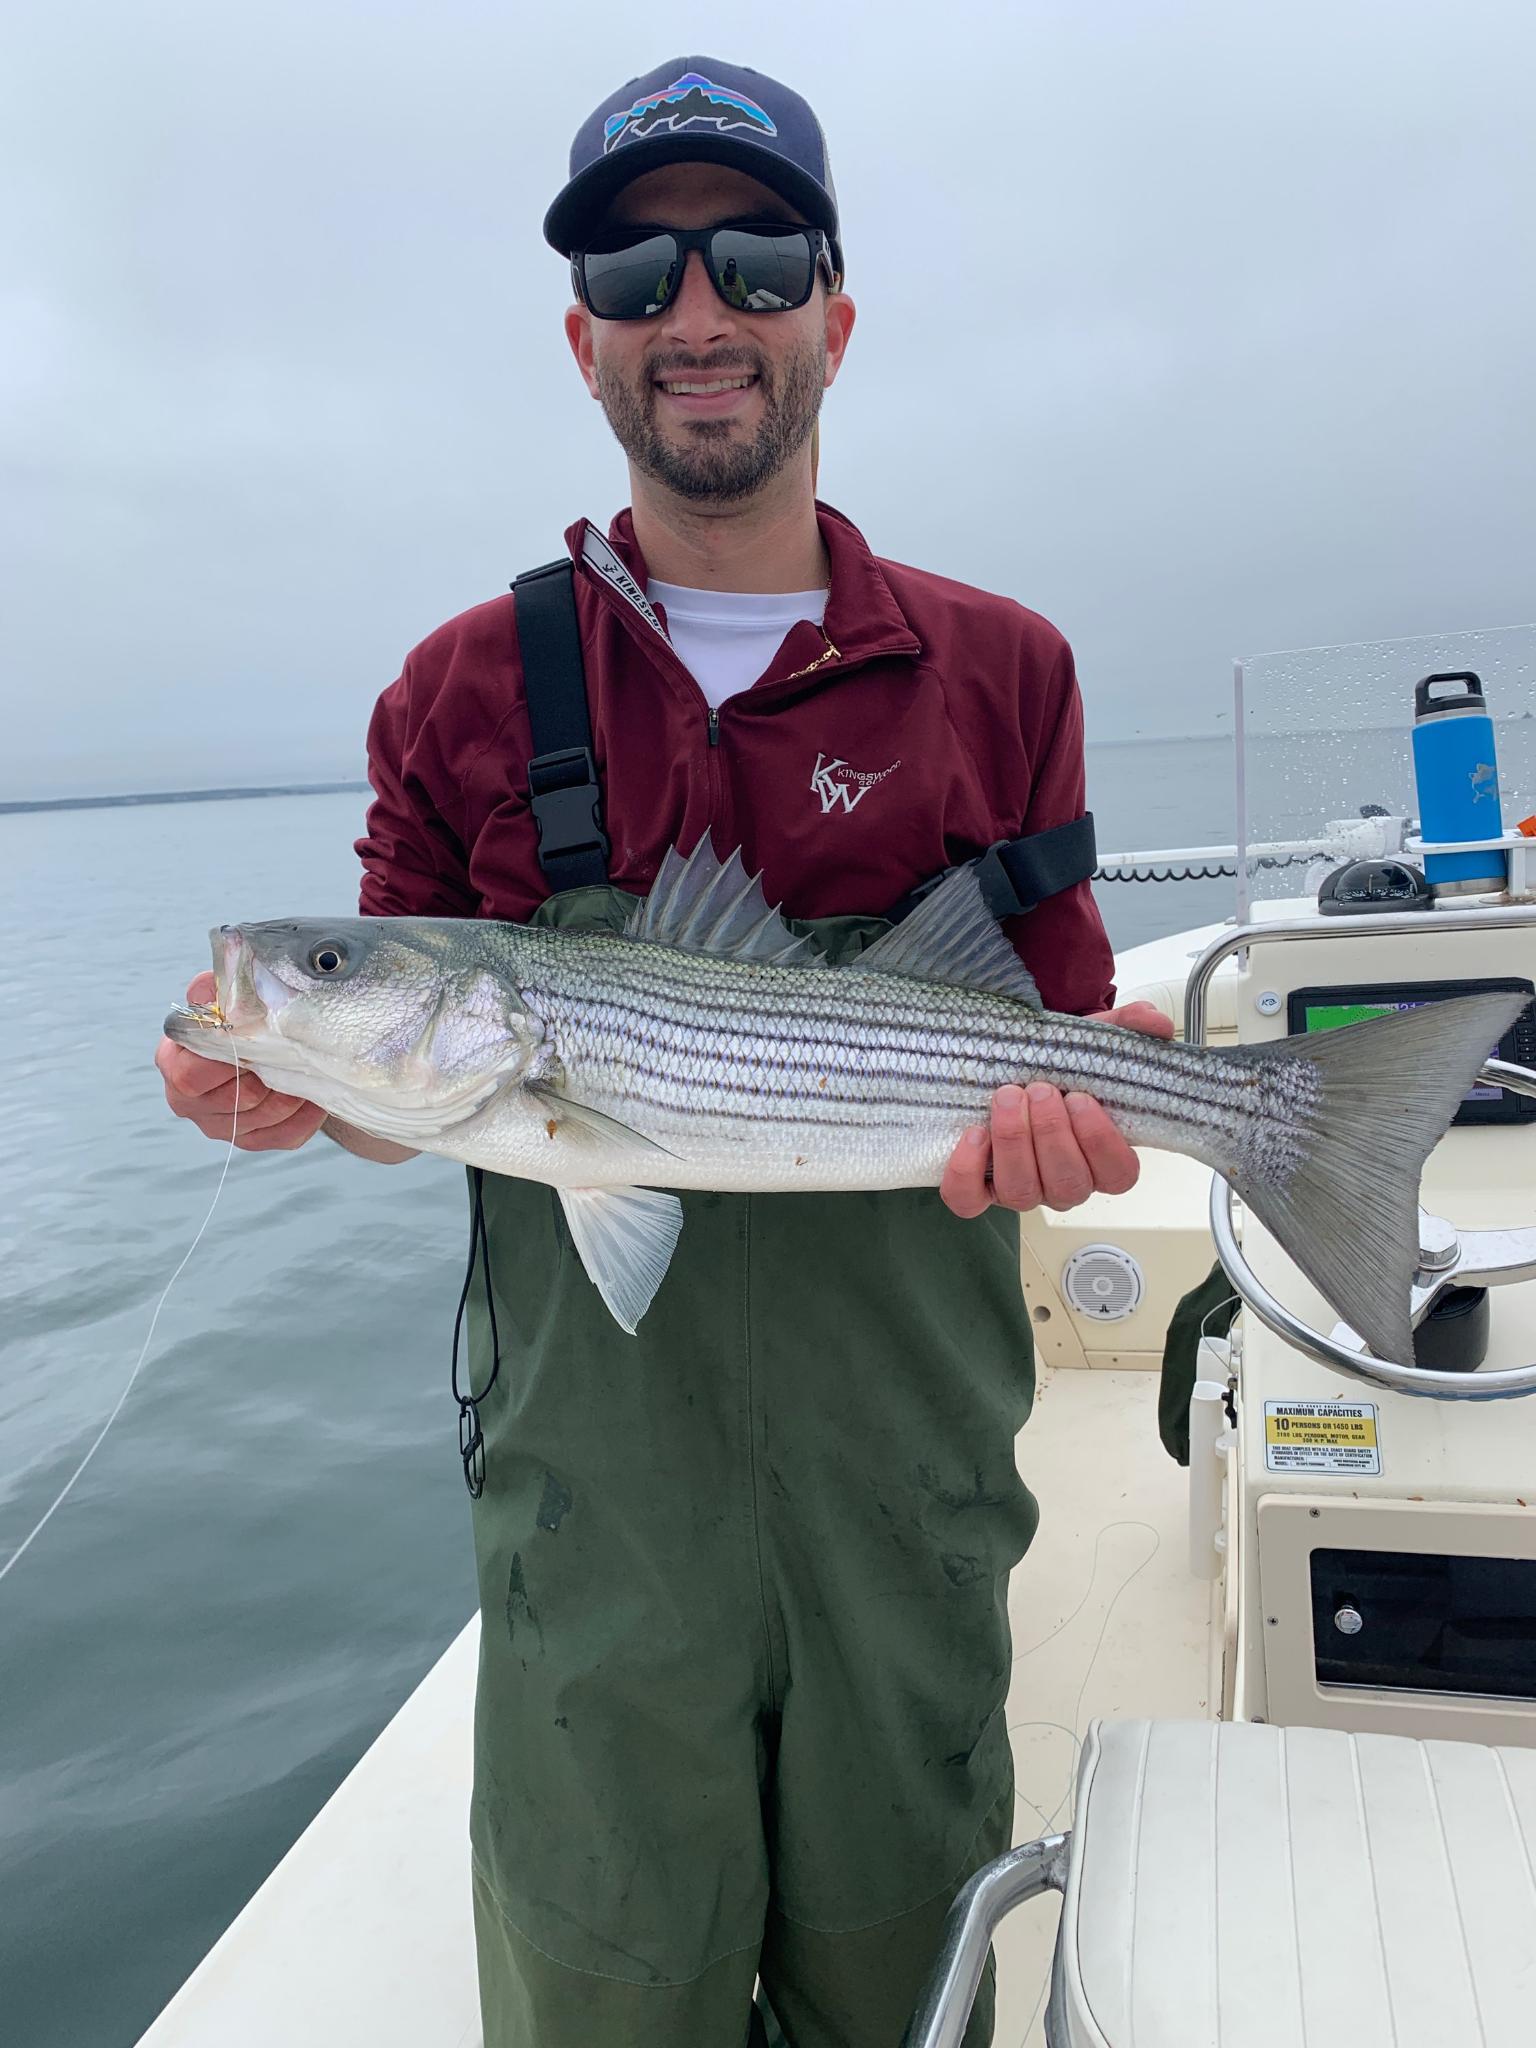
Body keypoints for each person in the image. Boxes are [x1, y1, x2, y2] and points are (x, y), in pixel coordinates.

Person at [156, 55, 1173, 2048]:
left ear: (833, 316)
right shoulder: (460, 691)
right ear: (583, 339)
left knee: (913, 1962)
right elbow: (430, 1104)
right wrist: (297, 1082)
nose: (695, 310)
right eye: (637, 268)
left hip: (910, 1477)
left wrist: (1093, 1108)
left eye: (756, 254)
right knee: (609, 1977)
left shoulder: (1001, 668)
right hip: (599, 1535)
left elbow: (1060, 1025)